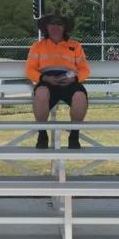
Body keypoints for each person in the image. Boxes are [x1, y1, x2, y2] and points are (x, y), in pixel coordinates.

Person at [26, 11, 90, 149]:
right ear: (46, 27)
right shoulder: (37, 46)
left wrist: (75, 79)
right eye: (52, 23)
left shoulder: (75, 46)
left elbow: (84, 69)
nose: (56, 26)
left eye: (60, 23)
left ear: (65, 27)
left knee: (80, 96)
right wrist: (44, 78)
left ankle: (74, 135)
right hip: (47, 80)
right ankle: (42, 134)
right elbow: (30, 70)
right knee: (41, 93)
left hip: (70, 80)